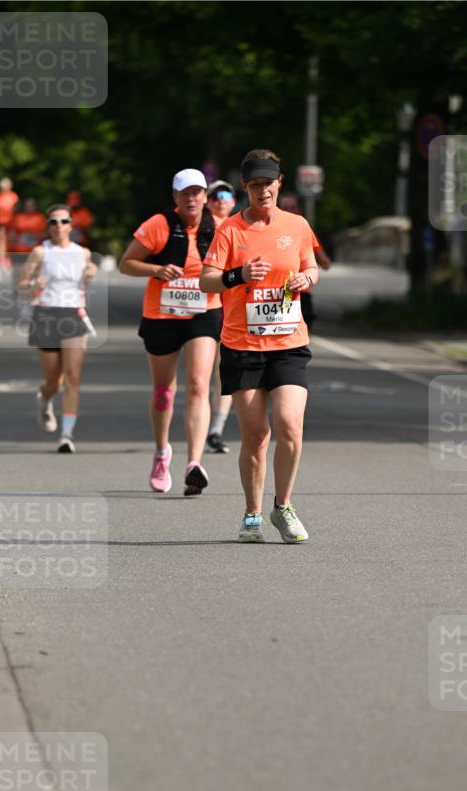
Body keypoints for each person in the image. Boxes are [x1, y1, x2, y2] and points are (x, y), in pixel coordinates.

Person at [200, 148, 319, 543]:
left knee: (289, 425)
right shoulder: (230, 230)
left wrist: (308, 279)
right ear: (245, 188)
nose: (262, 191)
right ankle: (252, 514)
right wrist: (239, 275)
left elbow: (310, 264)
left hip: (288, 342)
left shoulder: (298, 225)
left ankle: (283, 507)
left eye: (268, 183)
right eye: (254, 185)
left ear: (278, 183)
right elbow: (207, 280)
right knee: (256, 435)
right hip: (243, 345)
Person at [119, 169, 221, 496]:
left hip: (203, 312)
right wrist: (157, 269)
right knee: (164, 390)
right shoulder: (159, 225)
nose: (191, 198)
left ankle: (194, 463)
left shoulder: (219, 227)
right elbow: (126, 263)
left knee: (198, 383)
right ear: (175, 198)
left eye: (197, 192)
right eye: (185, 193)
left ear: (206, 196)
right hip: (161, 314)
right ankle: (162, 452)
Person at [18, 204, 97, 452]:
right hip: (46, 314)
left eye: (64, 221)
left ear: (71, 225)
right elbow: (20, 285)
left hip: (73, 314)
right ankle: (45, 399)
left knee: (72, 378)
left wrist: (90, 275)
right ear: (48, 227)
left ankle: (66, 435)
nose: (59, 226)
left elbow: (85, 282)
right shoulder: (41, 253)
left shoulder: (83, 253)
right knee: (53, 379)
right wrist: (33, 283)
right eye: (53, 222)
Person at [206, 179, 237, 454]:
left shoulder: (241, 228)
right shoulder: (199, 227)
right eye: (215, 196)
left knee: (222, 371)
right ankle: (203, 420)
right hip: (201, 306)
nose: (220, 200)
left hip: (230, 307)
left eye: (226, 195)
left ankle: (215, 430)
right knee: (200, 374)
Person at [278, 190, 332, 330]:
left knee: (303, 334)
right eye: (285, 208)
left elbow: (325, 263)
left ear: (299, 209)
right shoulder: (269, 229)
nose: (289, 211)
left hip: (302, 293)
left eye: (292, 207)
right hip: (278, 292)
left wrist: (311, 263)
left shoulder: (304, 230)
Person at [0, 177, 18, 269]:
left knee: (10, 240)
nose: (1, 189)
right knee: (0, 238)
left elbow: (15, 210)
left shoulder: (13, 196)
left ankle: (9, 258)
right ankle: (0, 259)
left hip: (11, 221)